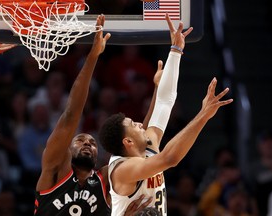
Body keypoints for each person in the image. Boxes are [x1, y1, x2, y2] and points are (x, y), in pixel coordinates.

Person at [98, 14, 233, 215]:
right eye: (132, 124)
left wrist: (176, 51)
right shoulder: (123, 170)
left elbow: (164, 103)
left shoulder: (148, 146)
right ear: (127, 142)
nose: (140, 123)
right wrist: (203, 115)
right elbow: (170, 158)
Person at [33, 15, 153, 216]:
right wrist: (93, 56)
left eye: (93, 142)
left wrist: (157, 87)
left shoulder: (106, 179)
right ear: (68, 148)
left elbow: (142, 142)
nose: (88, 143)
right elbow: (71, 114)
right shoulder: (54, 168)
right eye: (80, 140)